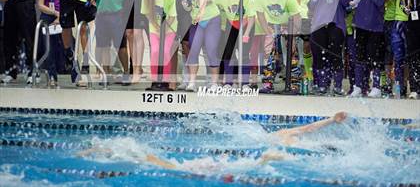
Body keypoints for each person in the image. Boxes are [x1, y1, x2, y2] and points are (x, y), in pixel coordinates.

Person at [78, 112, 348, 169]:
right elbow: (311, 128)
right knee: (147, 158)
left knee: (145, 156)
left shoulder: (289, 141)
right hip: (257, 147)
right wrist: (331, 121)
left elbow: (312, 129)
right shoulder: (289, 138)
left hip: (253, 148)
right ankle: (103, 148)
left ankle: (103, 148)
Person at [198, 0, 256, 90]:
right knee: (228, 54)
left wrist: (246, 34)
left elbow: (252, 17)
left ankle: (245, 84)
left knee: (244, 55)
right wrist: (201, 10)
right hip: (232, 24)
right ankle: (228, 83)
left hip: (246, 25)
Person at [342, 0, 385, 98]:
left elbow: (380, 2)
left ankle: (376, 87)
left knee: (374, 56)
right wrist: (350, 2)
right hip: (360, 24)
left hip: (375, 26)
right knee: (359, 56)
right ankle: (359, 86)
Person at [308, 0, 347, 95]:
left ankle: (337, 84)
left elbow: (347, 5)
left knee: (335, 54)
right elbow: (310, 6)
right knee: (319, 55)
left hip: (335, 24)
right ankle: (322, 84)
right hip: (319, 24)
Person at [254, 0, 301, 93]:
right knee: (271, 53)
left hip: (288, 24)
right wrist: (266, 31)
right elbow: (260, 15)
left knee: (291, 53)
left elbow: (296, 17)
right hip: (272, 24)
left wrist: (293, 36)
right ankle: (268, 84)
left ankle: (295, 84)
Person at [182, 0, 220, 92]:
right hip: (196, 21)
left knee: (211, 50)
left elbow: (204, 1)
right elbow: (186, 6)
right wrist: (186, 3)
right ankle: (192, 82)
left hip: (211, 20)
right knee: (193, 50)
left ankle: (214, 83)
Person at [141, 0, 177, 90]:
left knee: (166, 51)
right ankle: (155, 80)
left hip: (169, 29)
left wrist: (164, 30)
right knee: (155, 51)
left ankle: (165, 81)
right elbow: (147, 14)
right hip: (154, 29)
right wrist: (156, 27)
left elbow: (171, 17)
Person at [94, 0, 127, 84]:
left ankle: (126, 73)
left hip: (117, 14)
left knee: (121, 46)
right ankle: (106, 74)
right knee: (104, 46)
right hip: (101, 14)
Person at [296, 0, 323, 89]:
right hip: (304, 13)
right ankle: (309, 75)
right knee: (306, 46)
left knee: (318, 47)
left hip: (319, 15)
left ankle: (320, 76)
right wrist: (298, 13)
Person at [383, 0, 411, 97]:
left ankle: (408, 84)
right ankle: (400, 85)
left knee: (409, 57)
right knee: (398, 57)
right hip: (398, 24)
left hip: (410, 24)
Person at [37, 0, 65, 86]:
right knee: (49, 47)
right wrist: (54, 14)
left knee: (65, 45)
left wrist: (59, 17)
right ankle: (52, 76)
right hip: (48, 16)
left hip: (62, 15)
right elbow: (40, 5)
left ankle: (72, 72)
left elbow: (66, 3)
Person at [166, 0, 191, 90]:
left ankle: (188, 79)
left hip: (188, 16)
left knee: (186, 46)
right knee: (173, 47)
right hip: (175, 15)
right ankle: (173, 81)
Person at [404, 0, 420, 99]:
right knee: (413, 58)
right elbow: (407, 5)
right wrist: (406, 9)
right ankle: (414, 88)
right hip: (412, 27)